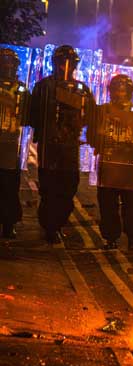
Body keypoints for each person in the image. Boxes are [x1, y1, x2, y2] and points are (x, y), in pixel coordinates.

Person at [30, 45, 96, 244]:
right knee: (49, 189)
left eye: (70, 62)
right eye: (61, 62)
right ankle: (50, 227)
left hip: (70, 147)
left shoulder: (81, 89)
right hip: (49, 147)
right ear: (55, 63)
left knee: (68, 188)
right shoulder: (43, 87)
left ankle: (57, 224)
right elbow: (33, 114)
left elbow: (91, 116)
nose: (65, 67)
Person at [89, 74, 133, 251]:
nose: (120, 94)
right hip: (108, 165)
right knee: (108, 207)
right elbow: (93, 135)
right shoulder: (103, 111)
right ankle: (111, 238)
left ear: (130, 92)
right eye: (117, 90)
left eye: (123, 91)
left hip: (131, 166)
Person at [0, 48, 30, 238]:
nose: (8, 67)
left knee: (9, 188)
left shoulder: (21, 89)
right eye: (5, 62)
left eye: (11, 63)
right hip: (10, 145)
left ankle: (8, 224)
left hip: (12, 145)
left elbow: (27, 118)